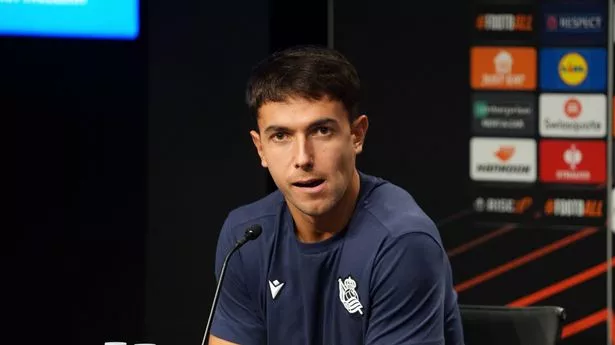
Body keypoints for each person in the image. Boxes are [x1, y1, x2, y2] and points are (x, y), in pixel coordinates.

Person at [209, 45, 464, 345]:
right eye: (281, 136)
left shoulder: (402, 242)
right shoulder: (245, 239)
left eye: (321, 131)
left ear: (357, 135)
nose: (303, 158)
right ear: (260, 148)